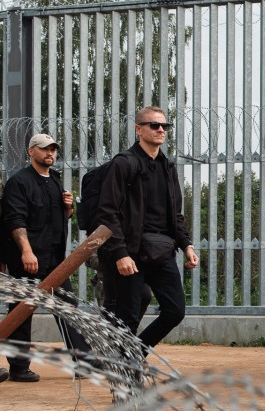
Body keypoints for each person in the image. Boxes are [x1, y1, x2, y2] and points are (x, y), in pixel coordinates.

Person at [97, 106, 200, 349]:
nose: (161, 130)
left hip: (161, 250)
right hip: (131, 252)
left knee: (175, 311)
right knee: (128, 317)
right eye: (154, 125)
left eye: (165, 126)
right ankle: (127, 374)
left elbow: (175, 214)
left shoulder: (168, 167)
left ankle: (133, 355)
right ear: (139, 130)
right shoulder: (124, 164)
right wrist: (120, 254)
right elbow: (108, 212)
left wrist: (187, 244)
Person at [1, 134, 92, 382]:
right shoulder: (18, 182)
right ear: (31, 151)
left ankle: (83, 362)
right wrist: (26, 251)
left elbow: (57, 220)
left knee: (67, 308)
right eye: (44, 149)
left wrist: (69, 207)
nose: (50, 153)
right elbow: (15, 220)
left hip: (54, 260)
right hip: (27, 259)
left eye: (53, 149)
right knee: (21, 312)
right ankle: (19, 368)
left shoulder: (55, 181)